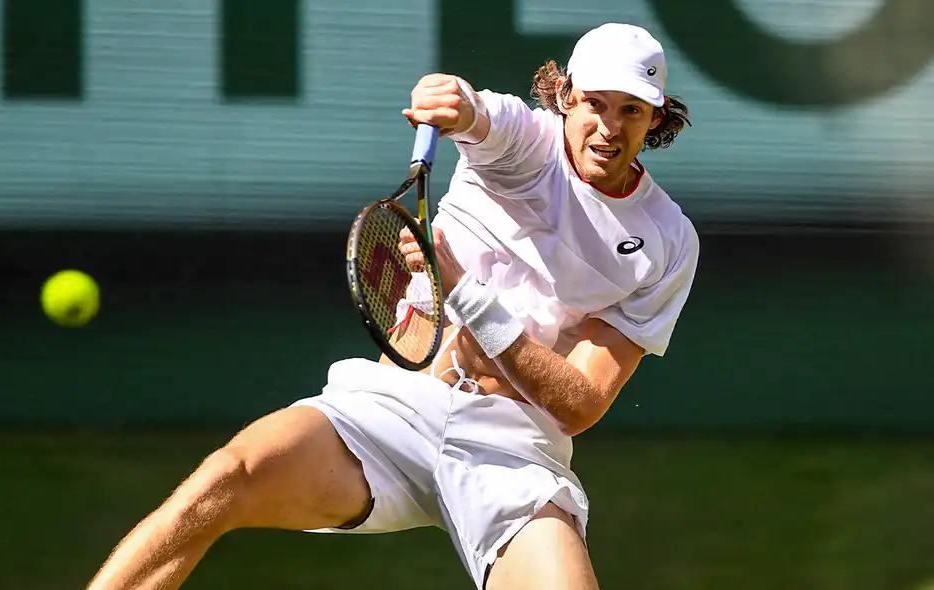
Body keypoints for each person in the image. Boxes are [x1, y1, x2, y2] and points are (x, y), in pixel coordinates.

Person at [85, 22, 698, 590]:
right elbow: (475, 112)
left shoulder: (668, 241)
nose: (609, 128)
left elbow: (580, 403)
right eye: (595, 103)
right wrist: (450, 98)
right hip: (391, 408)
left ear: (655, 116)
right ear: (564, 96)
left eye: (631, 110)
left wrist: (461, 290)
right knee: (222, 481)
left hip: (511, 449)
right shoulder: (524, 142)